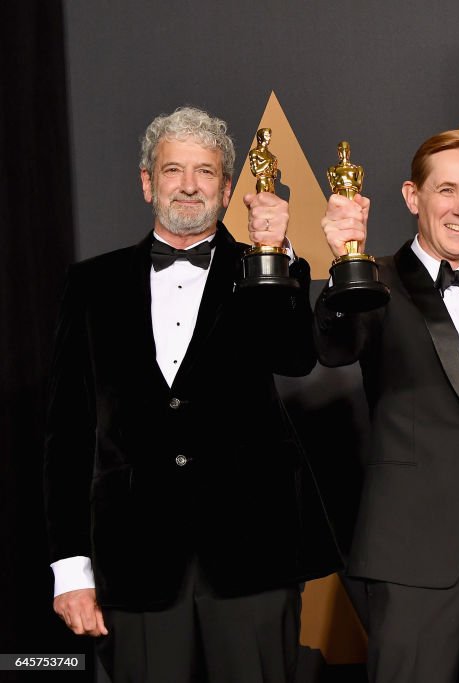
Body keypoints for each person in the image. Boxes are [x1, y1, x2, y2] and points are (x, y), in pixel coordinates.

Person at [44, 106, 336, 682]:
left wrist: (276, 255)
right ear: (148, 181)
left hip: (253, 550)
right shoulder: (91, 285)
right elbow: (67, 431)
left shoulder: (264, 267)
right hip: (134, 555)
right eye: (173, 169)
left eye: (205, 172)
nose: (188, 185)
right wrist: (71, 568)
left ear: (228, 189)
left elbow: (296, 358)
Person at [313, 130, 459, 683]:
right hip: (412, 547)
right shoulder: (375, 280)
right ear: (413, 197)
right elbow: (334, 348)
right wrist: (344, 262)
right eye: (447, 190)